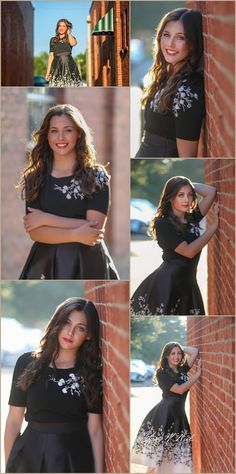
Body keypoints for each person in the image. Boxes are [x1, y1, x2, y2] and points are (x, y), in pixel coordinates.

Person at [18, 103, 119, 280]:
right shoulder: (34, 178)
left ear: (78, 133)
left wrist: (46, 219)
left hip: (87, 261)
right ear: (47, 135)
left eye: (68, 130)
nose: (61, 137)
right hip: (45, 262)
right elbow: (35, 232)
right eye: (54, 131)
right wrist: (77, 232)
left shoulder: (96, 176)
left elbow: (94, 230)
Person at [5, 297, 104, 473]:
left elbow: (95, 429)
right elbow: (13, 422)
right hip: (30, 456)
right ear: (57, 322)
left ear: (88, 335)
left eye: (80, 328)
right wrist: (9, 465)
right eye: (66, 322)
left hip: (74, 457)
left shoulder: (91, 373)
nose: (70, 332)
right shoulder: (26, 362)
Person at [131, 176, 219, 315]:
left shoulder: (192, 217)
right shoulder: (163, 223)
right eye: (180, 195)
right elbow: (189, 251)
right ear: (171, 197)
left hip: (188, 282)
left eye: (190, 195)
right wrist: (213, 228)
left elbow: (211, 192)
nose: (187, 200)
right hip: (169, 282)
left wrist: (186, 184)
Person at [135, 8, 205, 158]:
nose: (171, 44)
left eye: (180, 37)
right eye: (166, 35)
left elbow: (186, 156)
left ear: (193, 43)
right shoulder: (166, 75)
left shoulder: (188, 89)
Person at [131, 342, 201, 473]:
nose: (176, 356)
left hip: (179, 416)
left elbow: (195, 352)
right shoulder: (162, 373)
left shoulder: (182, 370)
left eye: (179, 353)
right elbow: (179, 390)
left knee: (176, 459)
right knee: (157, 460)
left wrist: (179, 347)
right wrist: (196, 376)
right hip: (165, 415)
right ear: (166, 356)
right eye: (173, 353)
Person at [45, 19, 82, 87]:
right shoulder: (53, 40)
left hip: (68, 64)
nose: (61, 28)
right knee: (57, 87)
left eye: (64, 26)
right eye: (59, 26)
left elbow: (73, 43)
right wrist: (48, 72)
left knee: (69, 86)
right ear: (57, 28)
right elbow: (51, 56)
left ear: (67, 28)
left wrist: (69, 34)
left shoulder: (70, 38)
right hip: (56, 65)